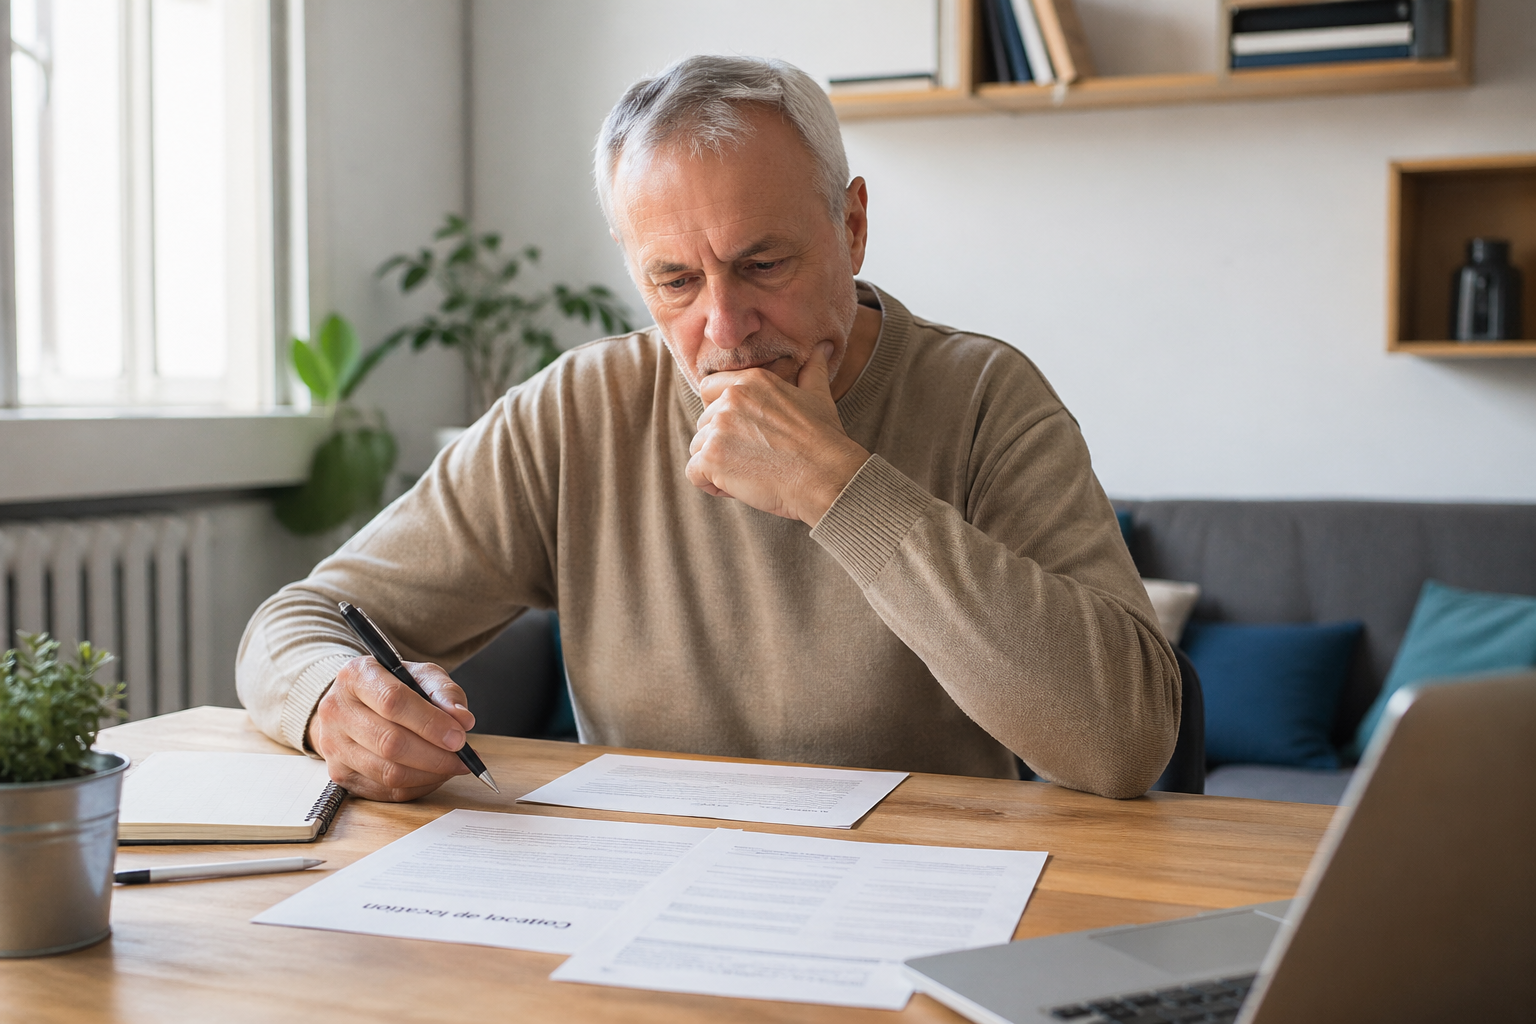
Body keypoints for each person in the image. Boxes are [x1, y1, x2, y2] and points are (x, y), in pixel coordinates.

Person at [237, 55, 1179, 803]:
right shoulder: (579, 410)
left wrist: (838, 487)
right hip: (647, 907)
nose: (723, 331)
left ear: (851, 228)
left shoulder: (983, 396)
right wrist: (332, 703)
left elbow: (1126, 739)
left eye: (763, 263)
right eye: (675, 283)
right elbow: (298, 622)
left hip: (921, 901)